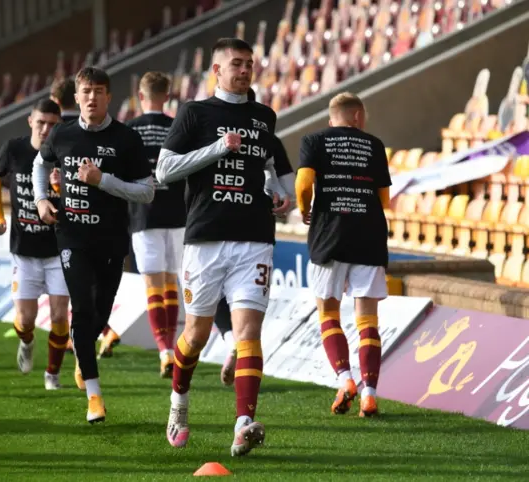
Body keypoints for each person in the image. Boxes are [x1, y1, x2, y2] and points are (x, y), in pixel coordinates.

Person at [155, 38, 291, 456]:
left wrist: (281, 195)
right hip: (205, 237)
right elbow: (163, 170)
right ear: (216, 70)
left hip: (254, 238)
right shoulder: (195, 113)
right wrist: (217, 148)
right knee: (195, 335)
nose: (246, 70)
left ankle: (243, 424)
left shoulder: (264, 117)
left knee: (249, 332)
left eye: (250, 63)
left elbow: (275, 170)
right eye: (237, 64)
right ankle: (179, 402)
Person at [32, 67, 154, 424]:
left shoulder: (127, 139)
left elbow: (146, 192)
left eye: (99, 91)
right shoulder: (62, 134)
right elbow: (40, 165)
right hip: (72, 237)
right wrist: (42, 200)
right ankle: (95, 396)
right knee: (83, 309)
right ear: (76, 96)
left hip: (113, 239)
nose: (91, 97)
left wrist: (103, 181)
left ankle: (83, 358)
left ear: (109, 97)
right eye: (86, 91)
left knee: (99, 316)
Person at [295, 92, 391, 418]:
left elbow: (304, 183)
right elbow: (384, 199)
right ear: (358, 117)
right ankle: (370, 395)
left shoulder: (314, 140)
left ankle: (345, 379)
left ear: (332, 117)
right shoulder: (374, 145)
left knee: (329, 314)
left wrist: (303, 207)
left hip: (329, 235)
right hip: (369, 236)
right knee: (367, 321)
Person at [215, 87, 297, 386]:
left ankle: (231, 342)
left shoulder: (214, 132)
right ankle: (240, 345)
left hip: (214, 228)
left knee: (213, 296)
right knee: (246, 300)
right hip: (258, 232)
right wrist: (282, 202)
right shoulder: (270, 140)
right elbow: (290, 193)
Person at [0, 99, 70, 391]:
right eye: (41, 123)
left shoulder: (65, 152)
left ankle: (52, 373)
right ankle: (27, 342)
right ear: (30, 121)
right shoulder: (15, 149)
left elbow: (77, 195)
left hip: (58, 250)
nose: (46, 129)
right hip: (24, 250)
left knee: (61, 316)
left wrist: (60, 187)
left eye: (52, 124)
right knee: (24, 320)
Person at [123, 71, 186, 378]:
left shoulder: (130, 130)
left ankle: (164, 349)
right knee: (172, 281)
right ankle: (171, 346)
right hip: (177, 212)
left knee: (153, 285)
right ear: (167, 95)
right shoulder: (177, 126)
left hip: (143, 214)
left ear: (140, 94)